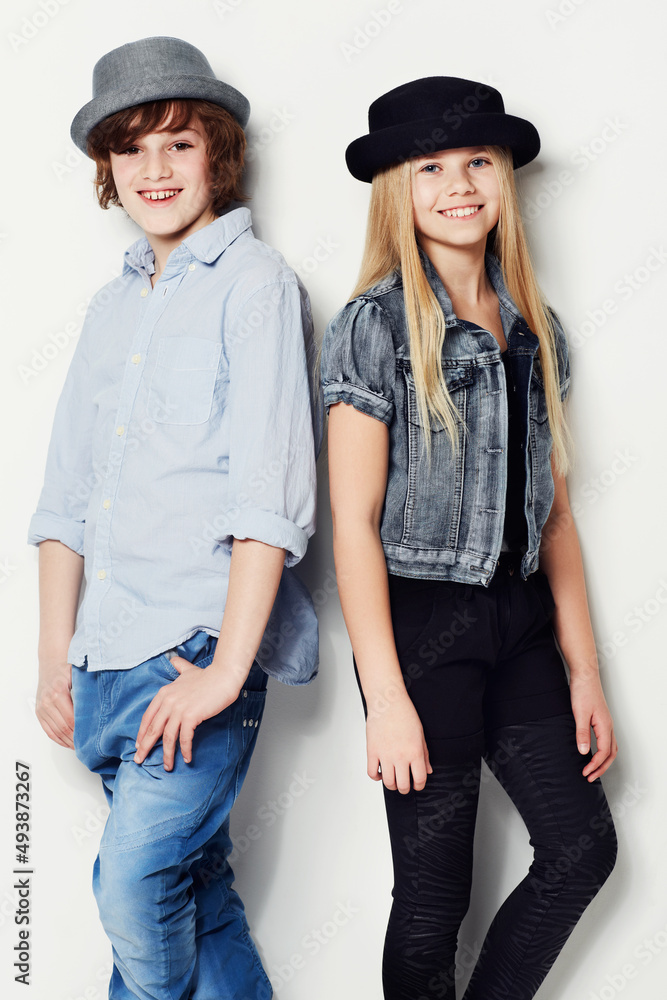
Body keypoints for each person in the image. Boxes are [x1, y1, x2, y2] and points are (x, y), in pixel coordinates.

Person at [28, 35, 322, 1000]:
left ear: (218, 157)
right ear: (107, 170)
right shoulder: (107, 313)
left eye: (179, 144)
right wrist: (51, 658)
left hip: (193, 651)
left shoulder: (258, 285)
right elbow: (66, 498)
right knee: (199, 892)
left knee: (134, 884)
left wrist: (224, 671)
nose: (155, 170)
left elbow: (271, 503)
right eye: (131, 149)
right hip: (103, 659)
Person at [320, 76, 618, 999]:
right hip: (421, 634)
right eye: (430, 167)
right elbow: (353, 527)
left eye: (477, 162)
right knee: (431, 897)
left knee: (578, 848)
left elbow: (555, 514)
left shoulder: (535, 330)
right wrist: (385, 697)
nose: (459, 184)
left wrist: (584, 670)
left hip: (520, 621)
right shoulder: (373, 328)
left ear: (503, 179)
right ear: (396, 191)